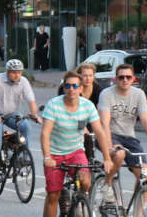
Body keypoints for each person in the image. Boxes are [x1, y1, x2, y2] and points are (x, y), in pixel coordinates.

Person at [40, 71, 113, 217]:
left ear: (81, 88)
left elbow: (99, 132)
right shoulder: (54, 105)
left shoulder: (88, 106)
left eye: (75, 86)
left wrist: (107, 158)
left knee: (86, 181)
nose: (71, 89)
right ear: (64, 88)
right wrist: (47, 157)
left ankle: (78, 199)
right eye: (67, 86)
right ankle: (62, 197)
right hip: (55, 154)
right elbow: (45, 133)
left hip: (76, 151)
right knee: (53, 195)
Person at [98, 64, 147, 203]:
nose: (124, 80)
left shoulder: (139, 94)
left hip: (130, 138)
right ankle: (107, 184)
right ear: (115, 79)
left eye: (128, 77)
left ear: (133, 79)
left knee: (144, 176)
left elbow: (146, 121)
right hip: (110, 134)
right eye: (121, 77)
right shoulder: (107, 94)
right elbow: (104, 123)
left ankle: (137, 213)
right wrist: (110, 145)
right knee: (119, 154)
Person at [0, 59, 42, 189]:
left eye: (19, 72)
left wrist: (34, 115)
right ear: (7, 72)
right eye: (13, 72)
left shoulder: (24, 81)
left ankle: (22, 157)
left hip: (11, 114)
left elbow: (31, 100)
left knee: (26, 126)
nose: (16, 75)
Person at [57, 63, 107, 162]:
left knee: (101, 137)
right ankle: (82, 161)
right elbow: (68, 109)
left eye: (90, 76)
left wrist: (103, 127)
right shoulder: (71, 89)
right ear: (79, 77)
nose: (88, 79)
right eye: (85, 76)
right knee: (85, 137)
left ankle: (94, 160)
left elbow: (101, 110)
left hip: (89, 119)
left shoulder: (98, 89)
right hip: (69, 117)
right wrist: (83, 127)